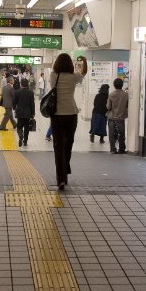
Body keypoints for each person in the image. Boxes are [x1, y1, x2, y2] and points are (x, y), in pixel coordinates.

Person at [50, 53, 88, 190]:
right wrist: (84, 61)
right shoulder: (73, 78)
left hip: (57, 115)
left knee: (58, 147)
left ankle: (61, 178)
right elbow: (83, 73)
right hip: (71, 114)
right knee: (68, 144)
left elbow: (55, 70)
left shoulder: (53, 76)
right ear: (70, 65)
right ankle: (65, 168)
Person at [107, 78, 129, 154]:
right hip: (121, 117)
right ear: (122, 85)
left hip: (112, 117)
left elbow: (108, 107)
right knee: (121, 134)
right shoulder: (125, 95)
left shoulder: (111, 95)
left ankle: (113, 149)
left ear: (114, 85)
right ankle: (122, 149)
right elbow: (127, 106)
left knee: (111, 134)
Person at [14, 78, 36, 147]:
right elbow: (32, 104)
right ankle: (25, 141)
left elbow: (13, 102)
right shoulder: (31, 93)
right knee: (26, 128)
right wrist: (33, 113)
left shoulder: (17, 92)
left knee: (19, 126)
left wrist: (15, 108)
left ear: (21, 84)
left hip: (19, 112)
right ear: (27, 84)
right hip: (28, 113)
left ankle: (20, 136)